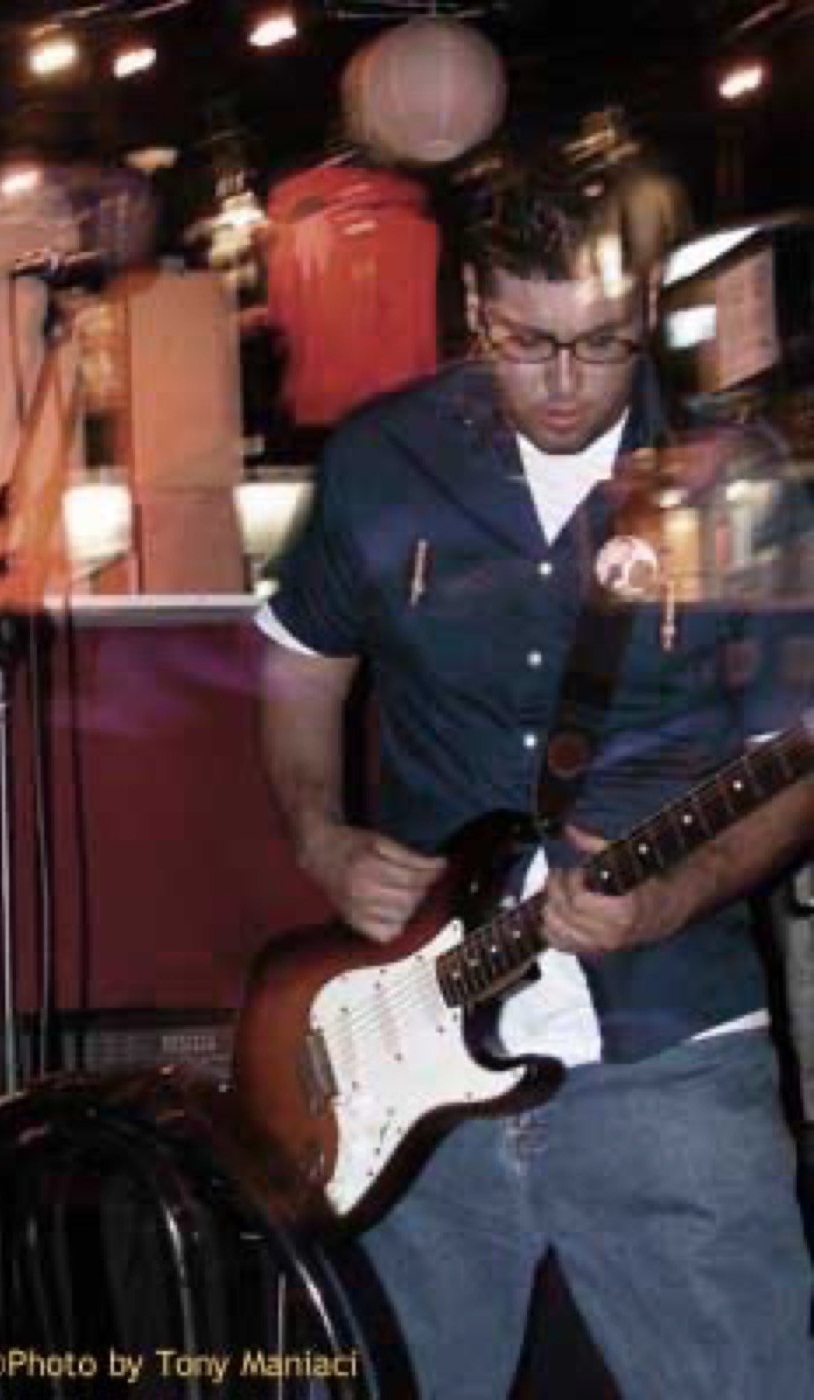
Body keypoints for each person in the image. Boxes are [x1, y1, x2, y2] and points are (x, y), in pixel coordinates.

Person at [254, 148, 814, 1400]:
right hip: (405, 1047)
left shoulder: (741, 484)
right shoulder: (380, 457)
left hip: (670, 1038)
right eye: (527, 340)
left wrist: (676, 893)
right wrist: (323, 836)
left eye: (605, 344)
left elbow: (794, 763)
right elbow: (301, 669)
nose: (565, 384)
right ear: (473, 308)